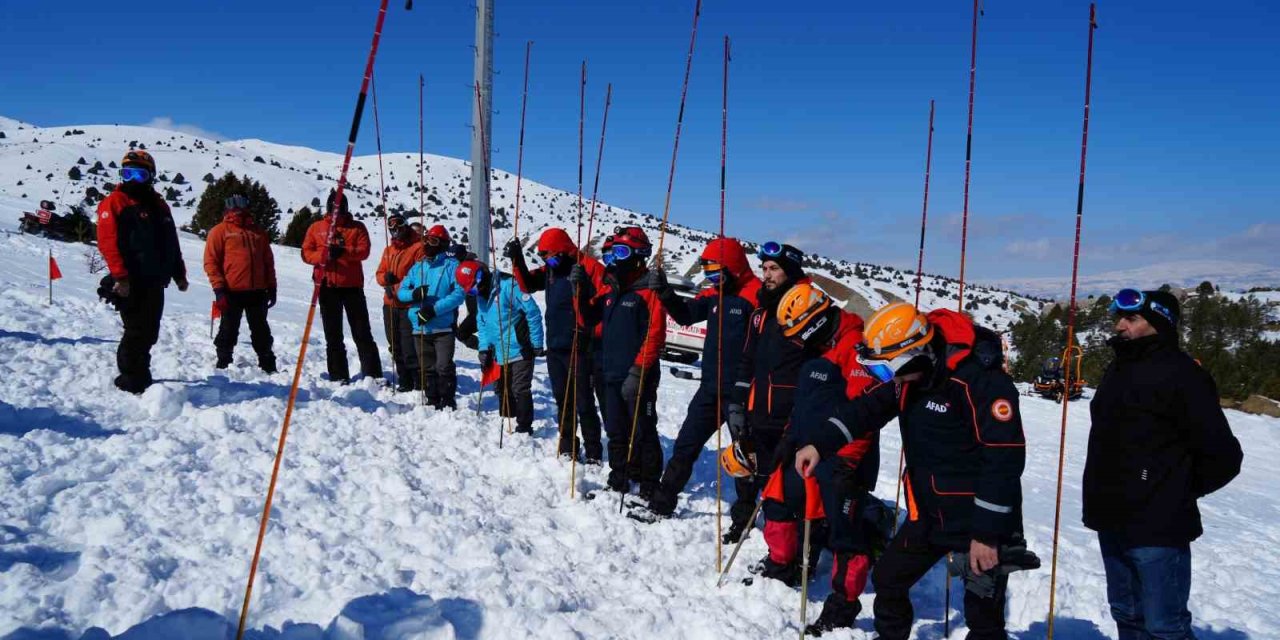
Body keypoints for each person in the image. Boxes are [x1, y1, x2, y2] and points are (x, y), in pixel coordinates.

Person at [798, 302, 1033, 640]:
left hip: (979, 522)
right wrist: (819, 445)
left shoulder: (981, 382)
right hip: (930, 514)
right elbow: (866, 410)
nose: (888, 378)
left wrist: (987, 535)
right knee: (889, 579)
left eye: (887, 369)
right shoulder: (908, 377)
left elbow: (1004, 460)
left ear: (913, 354)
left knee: (983, 616)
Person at [1083, 288, 1242, 640]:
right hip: (1111, 518)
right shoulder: (1119, 367)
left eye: (1131, 318)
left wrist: (1171, 489)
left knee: (1164, 627)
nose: (1119, 325)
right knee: (1126, 614)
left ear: (1159, 324)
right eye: (1118, 317)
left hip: (1157, 527)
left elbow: (1225, 456)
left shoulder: (1184, 375)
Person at [758, 284, 885, 635]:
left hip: (843, 460)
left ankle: (843, 604)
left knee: (845, 533)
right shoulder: (816, 350)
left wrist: (846, 463)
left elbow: (865, 415)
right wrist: (787, 438)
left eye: (799, 333)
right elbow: (804, 406)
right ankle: (782, 565)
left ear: (814, 323)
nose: (797, 341)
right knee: (777, 500)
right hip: (804, 451)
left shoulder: (855, 348)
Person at [635, 237, 761, 519]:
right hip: (709, 389)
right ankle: (662, 503)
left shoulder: (755, 296)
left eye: (717, 273)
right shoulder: (714, 293)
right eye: (708, 274)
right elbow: (686, 316)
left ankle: (743, 518)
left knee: (743, 457)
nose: (712, 279)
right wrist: (665, 293)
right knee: (685, 445)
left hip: (740, 393)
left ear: (734, 268)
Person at [724, 242, 811, 543]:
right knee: (747, 467)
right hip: (757, 407)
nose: (767, 274)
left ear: (791, 272)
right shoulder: (760, 313)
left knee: (783, 483)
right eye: (763, 268)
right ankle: (743, 519)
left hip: (789, 415)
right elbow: (747, 359)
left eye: (774, 268)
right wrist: (737, 401)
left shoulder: (808, 310)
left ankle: (787, 542)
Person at [574, 226, 666, 497]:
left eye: (623, 251)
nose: (617, 258)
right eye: (614, 252)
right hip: (609, 372)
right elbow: (589, 319)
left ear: (639, 256)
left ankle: (649, 484)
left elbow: (655, 334)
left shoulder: (650, 289)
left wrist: (638, 371)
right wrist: (578, 291)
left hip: (639, 375)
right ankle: (620, 476)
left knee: (643, 430)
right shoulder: (611, 287)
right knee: (616, 429)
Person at [505, 228, 608, 461]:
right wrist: (517, 259)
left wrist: (593, 335)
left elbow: (604, 306)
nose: (548, 262)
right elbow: (528, 284)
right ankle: (568, 445)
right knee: (563, 399)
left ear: (564, 251)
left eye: (550, 257)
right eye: (544, 258)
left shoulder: (589, 268)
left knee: (584, 401)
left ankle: (593, 450)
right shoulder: (552, 269)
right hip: (556, 346)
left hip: (581, 346)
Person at [96, 150, 189, 393]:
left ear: (151, 176)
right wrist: (120, 276)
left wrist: (179, 273)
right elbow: (107, 241)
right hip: (131, 279)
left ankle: (141, 373)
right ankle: (130, 379)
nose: (133, 179)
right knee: (136, 330)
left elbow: (171, 242)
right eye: (128, 173)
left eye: (139, 174)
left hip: (156, 279)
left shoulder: (159, 205)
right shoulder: (116, 202)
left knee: (150, 330)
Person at [301, 190, 382, 384]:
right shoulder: (316, 227)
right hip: (327, 286)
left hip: (352, 286)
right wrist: (324, 256)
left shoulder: (357, 227)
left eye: (342, 209)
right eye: (335, 209)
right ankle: (338, 376)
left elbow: (364, 251)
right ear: (329, 208)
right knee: (333, 334)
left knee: (362, 332)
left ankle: (373, 375)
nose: (338, 213)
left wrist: (344, 251)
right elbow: (306, 253)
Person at [456, 260, 545, 433]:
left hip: (520, 348)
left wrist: (537, 343)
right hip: (497, 351)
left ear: (481, 276)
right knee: (501, 389)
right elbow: (482, 324)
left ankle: (524, 428)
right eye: (471, 292)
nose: (476, 293)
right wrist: (483, 349)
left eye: (475, 288)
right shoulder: (481, 298)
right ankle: (506, 419)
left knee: (520, 388)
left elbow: (533, 312)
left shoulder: (509, 286)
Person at [203, 194, 277, 373]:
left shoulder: (258, 232)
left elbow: (268, 261)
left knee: (261, 330)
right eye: (235, 209)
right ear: (228, 210)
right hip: (230, 291)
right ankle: (223, 362)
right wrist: (219, 289)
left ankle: (267, 363)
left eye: (242, 208)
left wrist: (272, 286)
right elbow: (211, 262)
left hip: (257, 291)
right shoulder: (220, 231)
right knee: (228, 328)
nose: (238, 212)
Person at [397, 225, 465, 408]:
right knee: (427, 367)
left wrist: (434, 310)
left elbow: (459, 294)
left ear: (442, 244)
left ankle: (448, 401)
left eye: (433, 241)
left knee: (443, 365)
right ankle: (432, 400)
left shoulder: (452, 266)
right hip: (419, 325)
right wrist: (413, 295)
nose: (427, 244)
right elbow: (401, 292)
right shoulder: (417, 267)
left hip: (442, 326)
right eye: (425, 240)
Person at [375, 214, 426, 391]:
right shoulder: (389, 251)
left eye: (399, 228)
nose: (396, 232)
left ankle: (417, 380)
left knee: (408, 344)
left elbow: (420, 275)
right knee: (394, 343)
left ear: (405, 227)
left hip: (407, 304)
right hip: (389, 303)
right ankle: (404, 379)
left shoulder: (417, 248)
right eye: (392, 229)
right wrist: (385, 280)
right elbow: (379, 273)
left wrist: (399, 285)